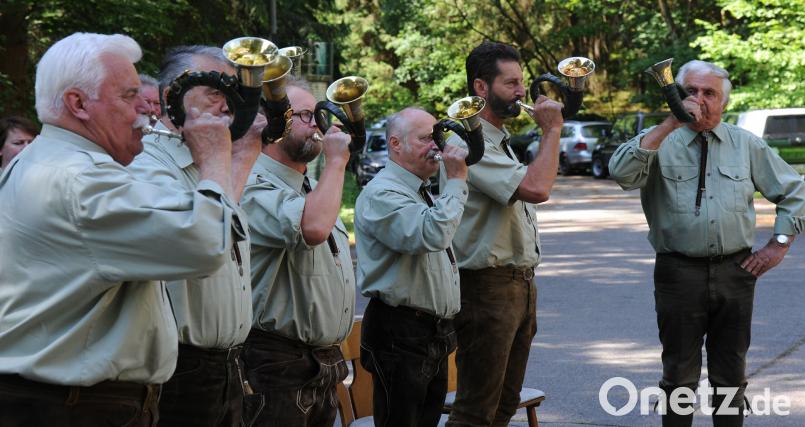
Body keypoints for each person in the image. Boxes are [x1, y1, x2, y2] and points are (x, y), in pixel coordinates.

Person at [0, 32, 246, 427]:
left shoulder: (46, 161)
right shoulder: (82, 179)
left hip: (61, 401)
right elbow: (205, 245)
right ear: (77, 104)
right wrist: (218, 157)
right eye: (129, 96)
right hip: (75, 408)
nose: (146, 111)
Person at [608, 60, 805, 427]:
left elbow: (795, 192)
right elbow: (621, 173)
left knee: (730, 376)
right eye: (690, 91)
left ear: (723, 103)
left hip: (736, 270)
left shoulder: (745, 144)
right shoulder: (659, 138)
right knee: (679, 376)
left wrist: (778, 243)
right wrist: (671, 124)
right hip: (678, 271)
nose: (698, 99)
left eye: (708, 93)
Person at [127, 46, 265, 427]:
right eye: (214, 93)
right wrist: (221, 156)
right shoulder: (147, 161)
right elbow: (200, 245)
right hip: (183, 368)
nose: (228, 107)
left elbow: (222, 229)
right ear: (171, 95)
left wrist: (240, 154)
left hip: (231, 362)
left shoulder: (204, 161)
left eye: (233, 95)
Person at [443, 41, 564, 427]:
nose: (522, 92)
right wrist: (552, 131)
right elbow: (537, 189)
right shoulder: (469, 141)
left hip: (518, 284)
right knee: (477, 409)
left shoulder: (498, 141)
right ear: (481, 87)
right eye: (511, 83)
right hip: (486, 288)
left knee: (505, 404)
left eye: (521, 83)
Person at [239, 78, 355, 427]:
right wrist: (337, 163)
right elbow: (314, 228)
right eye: (305, 115)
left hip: (321, 362)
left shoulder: (307, 186)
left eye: (317, 114)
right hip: (278, 364)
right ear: (272, 122)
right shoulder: (251, 182)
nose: (318, 125)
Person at [356, 107, 469, 427]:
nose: (436, 145)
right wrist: (457, 180)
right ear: (395, 144)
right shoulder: (383, 192)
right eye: (425, 138)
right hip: (400, 332)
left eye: (437, 136)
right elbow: (431, 234)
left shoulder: (415, 189)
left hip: (428, 332)